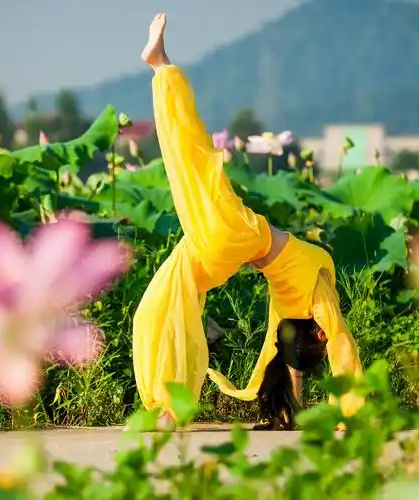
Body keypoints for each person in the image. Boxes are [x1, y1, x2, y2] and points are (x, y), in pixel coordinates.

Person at [132, 13, 364, 430]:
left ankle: (162, 68)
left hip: (238, 235)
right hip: (221, 252)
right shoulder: (296, 305)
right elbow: (290, 356)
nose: (328, 337)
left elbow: (339, 343)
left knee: (196, 160)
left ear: (320, 336)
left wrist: (354, 413)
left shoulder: (315, 284)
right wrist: (335, 411)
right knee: (157, 308)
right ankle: (167, 408)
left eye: (322, 341)